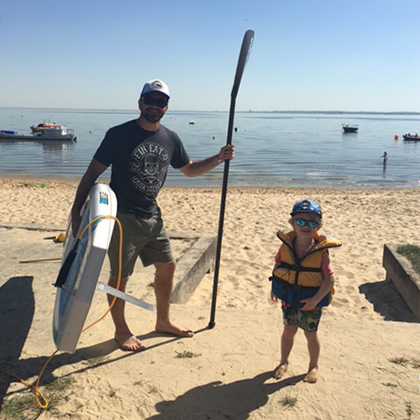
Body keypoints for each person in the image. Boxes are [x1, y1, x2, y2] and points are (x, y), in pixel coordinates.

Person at [71, 79, 234, 351]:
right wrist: (76, 212)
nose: (155, 106)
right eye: (150, 100)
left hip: (152, 215)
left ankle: (163, 321)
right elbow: (92, 173)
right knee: (121, 277)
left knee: (167, 267)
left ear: (166, 107)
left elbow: (190, 170)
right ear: (140, 103)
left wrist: (218, 158)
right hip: (122, 217)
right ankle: (121, 331)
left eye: (161, 102)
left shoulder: (170, 138)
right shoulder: (118, 134)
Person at [269, 199, 341, 383]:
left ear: (319, 226)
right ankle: (283, 362)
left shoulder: (321, 252)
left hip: (310, 301)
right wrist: (275, 288)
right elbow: (278, 265)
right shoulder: (285, 246)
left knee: (310, 335)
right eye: (300, 221)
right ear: (292, 224)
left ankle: (313, 366)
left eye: (312, 222)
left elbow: (329, 280)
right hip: (288, 298)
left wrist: (315, 300)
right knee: (288, 331)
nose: (306, 226)